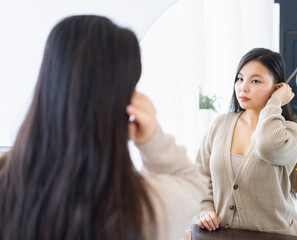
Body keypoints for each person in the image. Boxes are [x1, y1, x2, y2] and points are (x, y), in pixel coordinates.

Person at [0, 15, 207, 240]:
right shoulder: (144, 209)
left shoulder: (7, 182)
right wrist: (152, 138)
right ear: (125, 101)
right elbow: (190, 182)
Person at [196, 48, 297, 236]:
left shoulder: (290, 132)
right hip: (222, 235)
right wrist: (206, 209)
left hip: (276, 236)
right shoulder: (219, 125)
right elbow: (199, 177)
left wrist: (275, 103)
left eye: (255, 81)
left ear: (278, 87)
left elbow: (266, 146)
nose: (243, 87)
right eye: (240, 78)